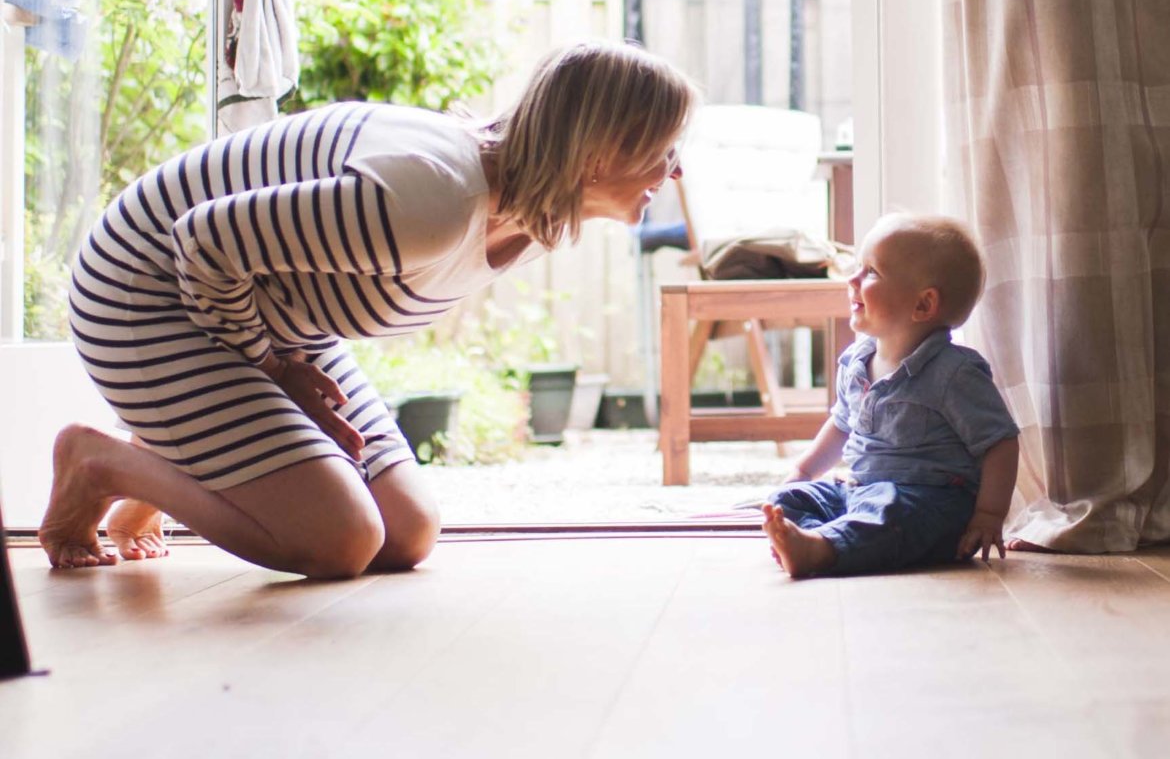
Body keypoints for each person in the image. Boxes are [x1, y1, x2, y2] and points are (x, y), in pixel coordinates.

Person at [39, 39, 697, 578]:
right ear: (598, 149)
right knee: (338, 540)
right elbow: (203, 240)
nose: (674, 172)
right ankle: (103, 465)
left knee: (406, 531)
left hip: (266, 308)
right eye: (662, 148)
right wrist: (272, 366)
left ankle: (170, 448)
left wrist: (279, 359)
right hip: (144, 290)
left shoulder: (534, 217)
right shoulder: (430, 202)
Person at [762, 212, 1019, 579]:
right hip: (860, 491)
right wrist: (801, 473)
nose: (852, 279)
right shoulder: (856, 360)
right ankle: (819, 540)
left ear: (923, 305)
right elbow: (841, 425)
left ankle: (821, 550)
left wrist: (988, 515)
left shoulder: (954, 373)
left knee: (890, 513)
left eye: (871, 272)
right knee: (786, 501)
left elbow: (1000, 442)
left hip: (928, 504)